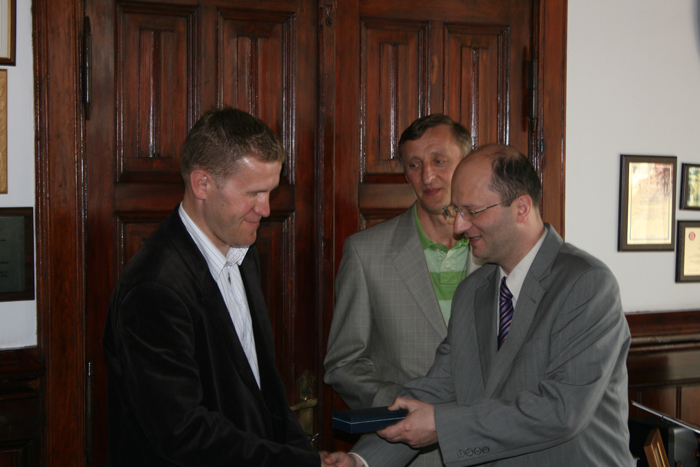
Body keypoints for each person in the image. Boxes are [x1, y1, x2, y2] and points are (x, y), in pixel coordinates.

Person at [324, 144, 635, 466]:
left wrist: (442, 426)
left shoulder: (586, 284)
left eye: (472, 211)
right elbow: (438, 388)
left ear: (521, 208)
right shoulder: (472, 291)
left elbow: (561, 410)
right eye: (456, 211)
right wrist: (361, 461)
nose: (459, 227)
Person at [103, 107, 324, 466]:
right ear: (202, 184)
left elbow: (265, 391)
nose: (266, 209)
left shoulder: (242, 250)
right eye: (253, 193)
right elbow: (183, 433)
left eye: (270, 192)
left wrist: (305, 457)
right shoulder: (153, 287)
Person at [323, 114, 480, 466]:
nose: (427, 176)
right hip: (407, 455)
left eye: (439, 160)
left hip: (493, 450)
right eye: (414, 164)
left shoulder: (498, 250)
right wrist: (403, 406)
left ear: (467, 162)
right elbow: (343, 363)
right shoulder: (365, 252)